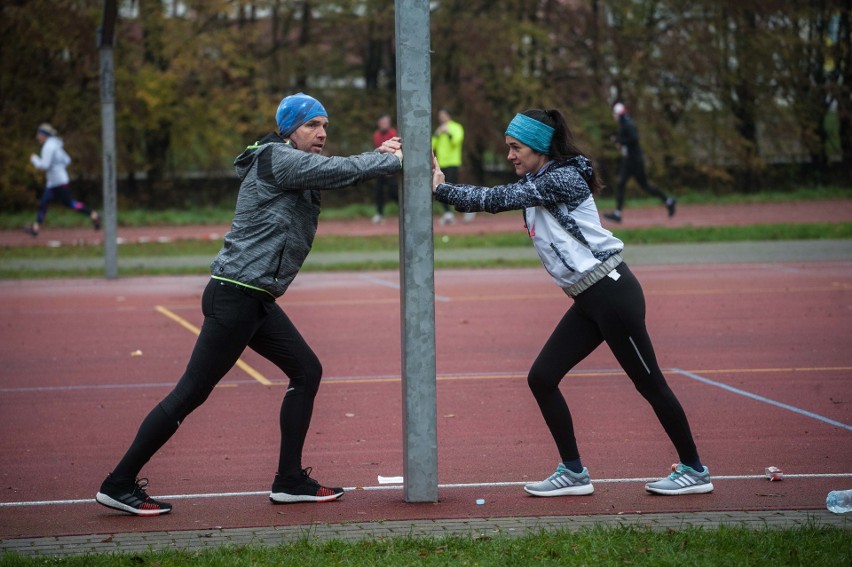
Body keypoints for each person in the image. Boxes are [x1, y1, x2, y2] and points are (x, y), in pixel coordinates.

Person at [95, 93, 403, 516]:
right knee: (190, 393)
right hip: (235, 296)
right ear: (289, 129)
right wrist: (388, 159)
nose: (322, 132)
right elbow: (340, 170)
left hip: (253, 298)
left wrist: (381, 156)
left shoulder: (294, 165)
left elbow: (330, 174)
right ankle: (118, 482)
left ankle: (289, 480)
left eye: (325, 125)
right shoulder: (278, 158)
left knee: (306, 370)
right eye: (313, 125)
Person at [431, 108, 712, 498]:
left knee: (650, 384)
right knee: (542, 378)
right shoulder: (539, 178)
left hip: (612, 294)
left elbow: (495, 199)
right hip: (589, 298)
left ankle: (695, 470)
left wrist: (439, 188)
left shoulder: (560, 178)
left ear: (540, 147)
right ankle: (574, 473)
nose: (510, 155)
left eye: (516, 148)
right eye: (508, 147)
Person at [603, 103, 676, 223]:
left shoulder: (627, 124)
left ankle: (668, 201)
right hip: (629, 160)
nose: (614, 117)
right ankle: (618, 213)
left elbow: (634, 138)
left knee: (643, 185)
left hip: (635, 161)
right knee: (622, 184)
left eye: (615, 115)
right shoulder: (625, 123)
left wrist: (619, 140)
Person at [27, 123, 100, 236]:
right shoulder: (55, 145)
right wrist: (58, 167)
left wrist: (34, 159)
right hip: (55, 181)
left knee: (68, 203)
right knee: (44, 203)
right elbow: (67, 160)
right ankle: (36, 228)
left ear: (44, 135)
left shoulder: (48, 147)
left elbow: (45, 165)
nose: (37, 137)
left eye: (39, 134)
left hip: (57, 182)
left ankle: (93, 214)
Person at [431, 108, 473, 224]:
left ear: (449, 116)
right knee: (441, 187)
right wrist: (437, 134)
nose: (441, 118)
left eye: (443, 115)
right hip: (441, 163)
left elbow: (456, 141)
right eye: (440, 116)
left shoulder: (456, 127)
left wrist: (448, 132)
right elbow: (431, 145)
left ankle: (468, 208)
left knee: (453, 187)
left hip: (453, 162)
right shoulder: (439, 129)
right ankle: (447, 213)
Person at [371, 114, 399, 224]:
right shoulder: (376, 134)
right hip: (380, 168)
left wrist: (391, 168)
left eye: (386, 123)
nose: (384, 125)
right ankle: (379, 214)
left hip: (391, 169)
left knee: (393, 192)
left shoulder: (393, 133)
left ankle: (403, 210)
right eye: (382, 123)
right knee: (379, 191)